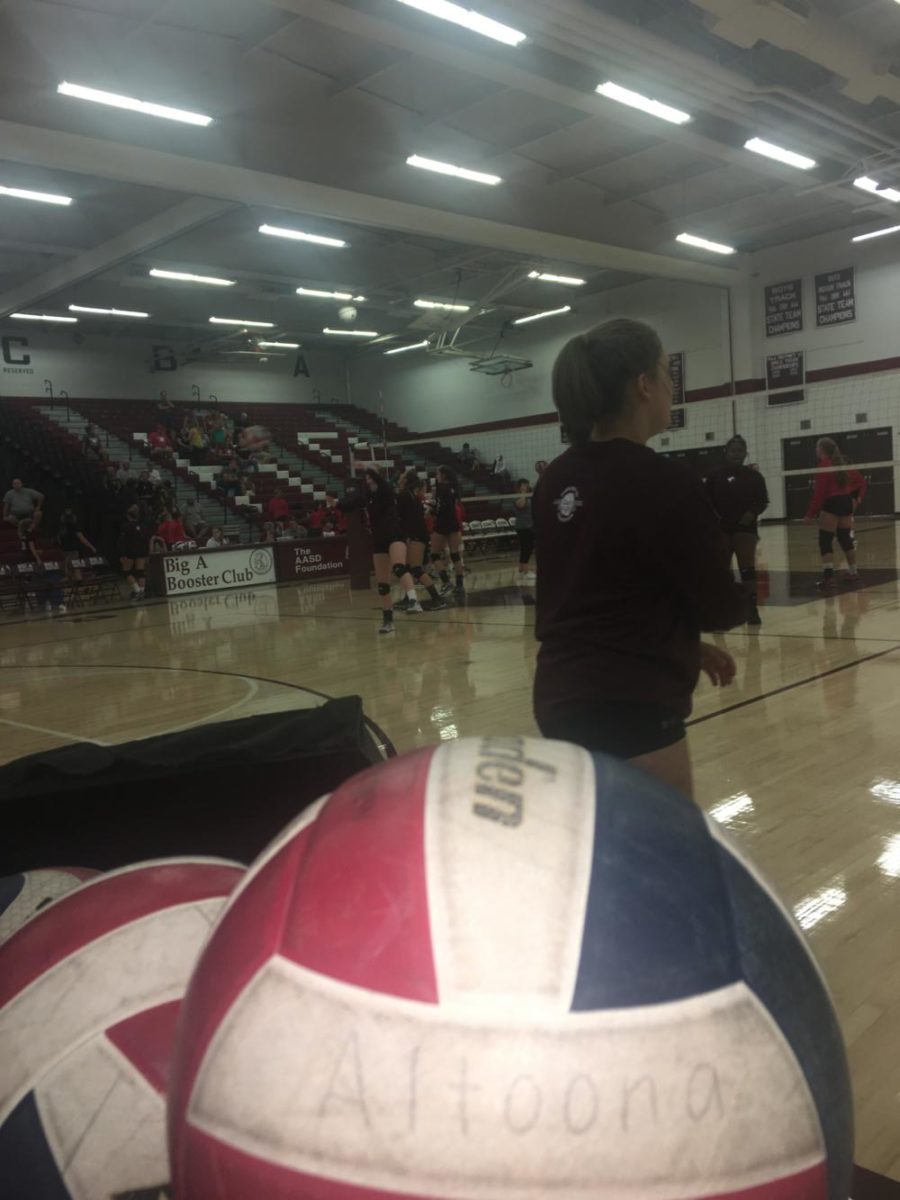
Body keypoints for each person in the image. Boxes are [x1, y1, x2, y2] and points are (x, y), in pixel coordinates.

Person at [533, 318, 747, 799]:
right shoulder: (663, 480)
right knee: (660, 860)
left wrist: (684, 645)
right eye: (667, 375)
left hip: (559, 694)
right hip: (630, 702)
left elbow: (594, 593)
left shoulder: (555, 479)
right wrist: (728, 605)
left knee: (596, 851)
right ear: (643, 385)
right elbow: (717, 604)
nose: (673, 388)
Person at [338, 468, 421, 633]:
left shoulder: (386, 491)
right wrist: (336, 503)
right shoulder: (368, 496)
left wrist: (366, 466)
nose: (367, 481)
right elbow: (352, 503)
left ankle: (413, 600)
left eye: (370, 477)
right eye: (366, 478)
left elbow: (381, 482)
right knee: (383, 585)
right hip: (379, 540)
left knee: (399, 567)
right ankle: (388, 621)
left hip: (395, 536)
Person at [705, 435, 769, 625]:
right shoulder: (715, 475)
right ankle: (722, 608)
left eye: (740, 451)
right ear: (726, 452)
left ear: (745, 453)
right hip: (722, 528)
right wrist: (714, 516)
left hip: (745, 528)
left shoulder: (754, 476)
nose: (736, 454)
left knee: (747, 568)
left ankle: (752, 609)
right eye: (733, 450)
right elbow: (706, 500)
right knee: (722, 570)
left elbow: (762, 500)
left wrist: (753, 512)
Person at [805, 436, 868, 590]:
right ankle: (853, 573)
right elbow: (860, 481)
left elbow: (819, 495)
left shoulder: (824, 466)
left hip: (832, 503)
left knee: (825, 541)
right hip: (846, 502)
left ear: (822, 450)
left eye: (817, 448)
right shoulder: (841, 464)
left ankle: (829, 578)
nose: (815, 450)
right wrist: (857, 498)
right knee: (845, 539)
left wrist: (810, 514)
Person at [395, 470, 447, 611]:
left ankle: (437, 598)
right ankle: (408, 597)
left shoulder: (405, 495)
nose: (399, 478)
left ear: (406, 480)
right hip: (415, 535)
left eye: (402, 476)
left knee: (416, 569)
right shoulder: (411, 496)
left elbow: (400, 517)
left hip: (415, 535)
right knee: (407, 569)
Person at [431, 465, 465, 599]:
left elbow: (440, 507)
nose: (436, 476)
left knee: (434, 555)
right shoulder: (454, 487)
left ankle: (446, 582)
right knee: (455, 555)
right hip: (453, 523)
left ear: (443, 475)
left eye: (437, 474)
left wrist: (432, 512)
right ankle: (460, 586)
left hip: (443, 523)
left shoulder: (440, 487)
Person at [119, 504, 151, 600]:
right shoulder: (143, 526)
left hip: (130, 552)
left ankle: (137, 591)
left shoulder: (126, 527)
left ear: (128, 516)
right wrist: (146, 552)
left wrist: (123, 554)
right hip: (141, 551)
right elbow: (146, 540)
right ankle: (142, 591)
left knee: (126, 572)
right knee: (140, 572)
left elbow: (123, 542)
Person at [58, 507, 97, 581]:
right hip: (72, 551)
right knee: (76, 570)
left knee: (69, 571)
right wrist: (91, 547)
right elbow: (82, 539)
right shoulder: (73, 527)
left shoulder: (61, 527)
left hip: (65, 551)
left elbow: (59, 540)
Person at [513, 478, 536, 584]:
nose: (526, 487)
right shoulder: (518, 497)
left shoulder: (528, 496)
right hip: (523, 527)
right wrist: (522, 493)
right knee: (527, 548)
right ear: (519, 487)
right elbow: (521, 505)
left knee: (527, 548)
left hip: (529, 526)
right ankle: (526, 572)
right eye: (523, 485)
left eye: (526, 485)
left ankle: (522, 569)